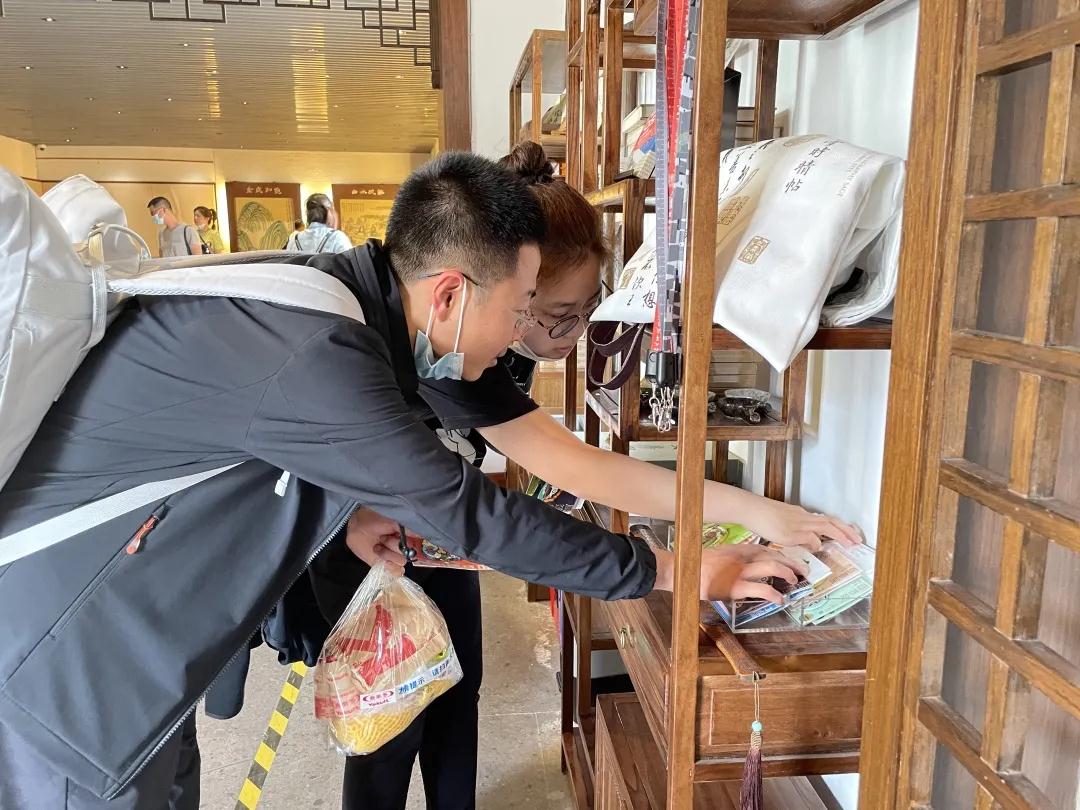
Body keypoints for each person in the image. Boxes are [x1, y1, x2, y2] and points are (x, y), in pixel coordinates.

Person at [0, 151, 803, 810]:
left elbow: (243, 441)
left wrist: (347, 514)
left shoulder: (334, 301)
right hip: (69, 660)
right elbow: (473, 514)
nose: (517, 335)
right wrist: (680, 569)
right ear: (450, 292)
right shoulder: (322, 351)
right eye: (521, 306)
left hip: (128, 640)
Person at [317, 142, 860, 810]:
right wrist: (694, 555)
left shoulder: (480, 347)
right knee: (387, 720)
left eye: (587, 309)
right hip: (373, 545)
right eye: (550, 313)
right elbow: (535, 489)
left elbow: (566, 471)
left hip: (435, 539)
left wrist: (755, 511)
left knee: (457, 692)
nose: (574, 333)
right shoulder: (432, 343)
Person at [285, 192, 353, 253]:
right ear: (329, 212)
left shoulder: (293, 239)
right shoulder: (337, 237)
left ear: (307, 214)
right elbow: (350, 261)